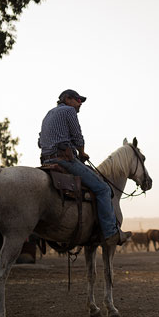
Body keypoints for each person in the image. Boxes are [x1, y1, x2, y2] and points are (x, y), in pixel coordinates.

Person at [38, 89, 131, 246]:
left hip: (46, 161)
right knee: (103, 189)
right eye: (78, 100)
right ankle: (110, 233)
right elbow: (77, 136)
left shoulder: (48, 114)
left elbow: (40, 141)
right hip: (64, 159)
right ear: (67, 99)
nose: (80, 104)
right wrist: (82, 152)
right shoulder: (69, 111)